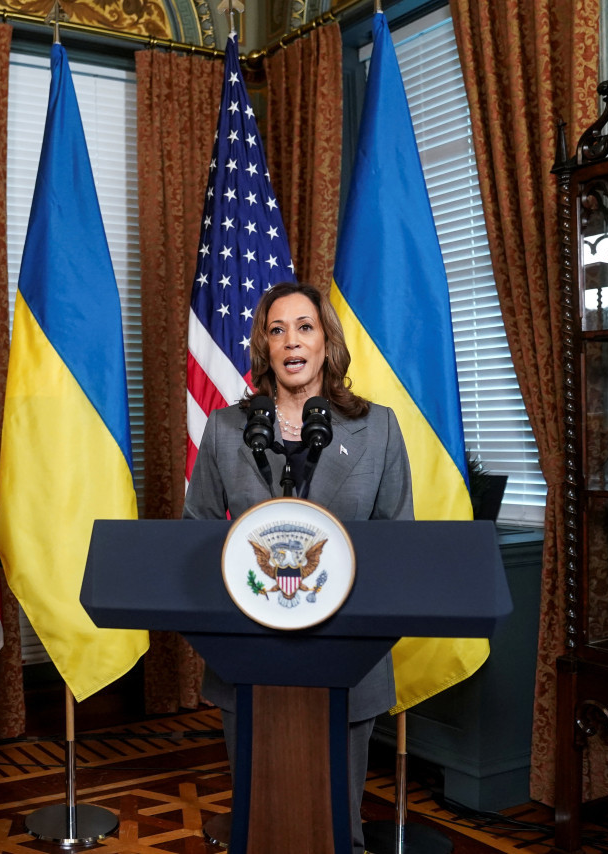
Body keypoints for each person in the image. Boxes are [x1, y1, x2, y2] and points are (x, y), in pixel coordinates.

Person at [183, 281, 413, 854]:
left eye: (305, 327)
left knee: (342, 833)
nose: (292, 341)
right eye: (277, 328)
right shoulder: (226, 429)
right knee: (259, 825)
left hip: (346, 653)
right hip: (250, 654)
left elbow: (396, 539)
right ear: (264, 343)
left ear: (325, 341)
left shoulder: (378, 428)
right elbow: (199, 533)